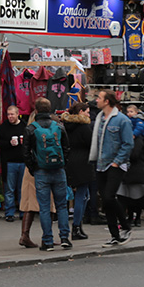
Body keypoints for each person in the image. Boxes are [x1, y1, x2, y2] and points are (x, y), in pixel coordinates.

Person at [25, 98, 71, 251]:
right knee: (61, 206)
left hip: (41, 171)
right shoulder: (59, 126)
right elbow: (67, 148)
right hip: (59, 170)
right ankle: (65, 237)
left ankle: (48, 241)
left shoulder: (31, 128)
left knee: (44, 208)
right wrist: (63, 164)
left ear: (36, 110)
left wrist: (34, 168)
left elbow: (26, 153)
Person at [89, 90, 134, 247]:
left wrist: (117, 161)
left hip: (115, 164)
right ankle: (114, 235)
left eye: (99, 98)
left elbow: (128, 143)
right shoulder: (100, 119)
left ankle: (126, 225)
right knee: (106, 201)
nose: (96, 100)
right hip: (101, 163)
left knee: (109, 197)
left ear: (107, 101)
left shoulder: (122, 120)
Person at [61, 102, 93, 240]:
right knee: (82, 195)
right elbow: (92, 144)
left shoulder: (65, 126)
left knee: (82, 194)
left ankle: (76, 226)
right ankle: (76, 227)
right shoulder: (84, 127)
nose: (89, 114)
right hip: (83, 162)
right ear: (80, 112)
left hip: (69, 161)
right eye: (87, 111)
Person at [0, 105, 28, 222]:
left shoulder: (24, 126)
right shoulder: (4, 127)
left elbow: (31, 141)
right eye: (8, 114)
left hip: (23, 162)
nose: (10, 117)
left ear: (18, 114)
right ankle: (9, 213)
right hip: (9, 162)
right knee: (9, 189)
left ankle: (23, 212)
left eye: (12, 114)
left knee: (22, 189)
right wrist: (9, 143)